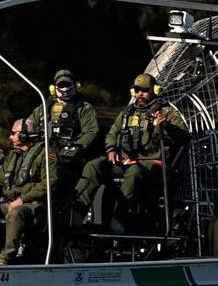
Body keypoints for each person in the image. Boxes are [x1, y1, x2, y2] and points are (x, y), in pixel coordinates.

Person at [73, 73, 189, 231]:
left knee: (134, 173)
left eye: (144, 90)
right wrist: (111, 149)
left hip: (151, 165)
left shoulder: (167, 112)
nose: (140, 93)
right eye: (137, 90)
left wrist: (167, 126)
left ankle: (119, 217)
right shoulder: (127, 113)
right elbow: (112, 134)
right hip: (125, 161)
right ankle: (77, 212)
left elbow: (185, 137)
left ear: (155, 90)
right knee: (94, 166)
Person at [0, 118, 58, 265]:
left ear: (24, 135)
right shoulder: (12, 156)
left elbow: (49, 183)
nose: (10, 137)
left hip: (33, 204)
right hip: (9, 202)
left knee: (15, 214)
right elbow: (0, 181)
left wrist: (22, 199)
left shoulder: (47, 155)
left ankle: (5, 259)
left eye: (13, 133)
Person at [28, 69, 99, 187]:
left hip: (69, 152)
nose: (65, 89)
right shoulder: (45, 106)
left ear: (76, 86)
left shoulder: (83, 108)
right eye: (61, 85)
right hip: (44, 149)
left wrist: (76, 147)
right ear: (53, 87)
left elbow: (91, 132)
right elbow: (30, 122)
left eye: (68, 84)